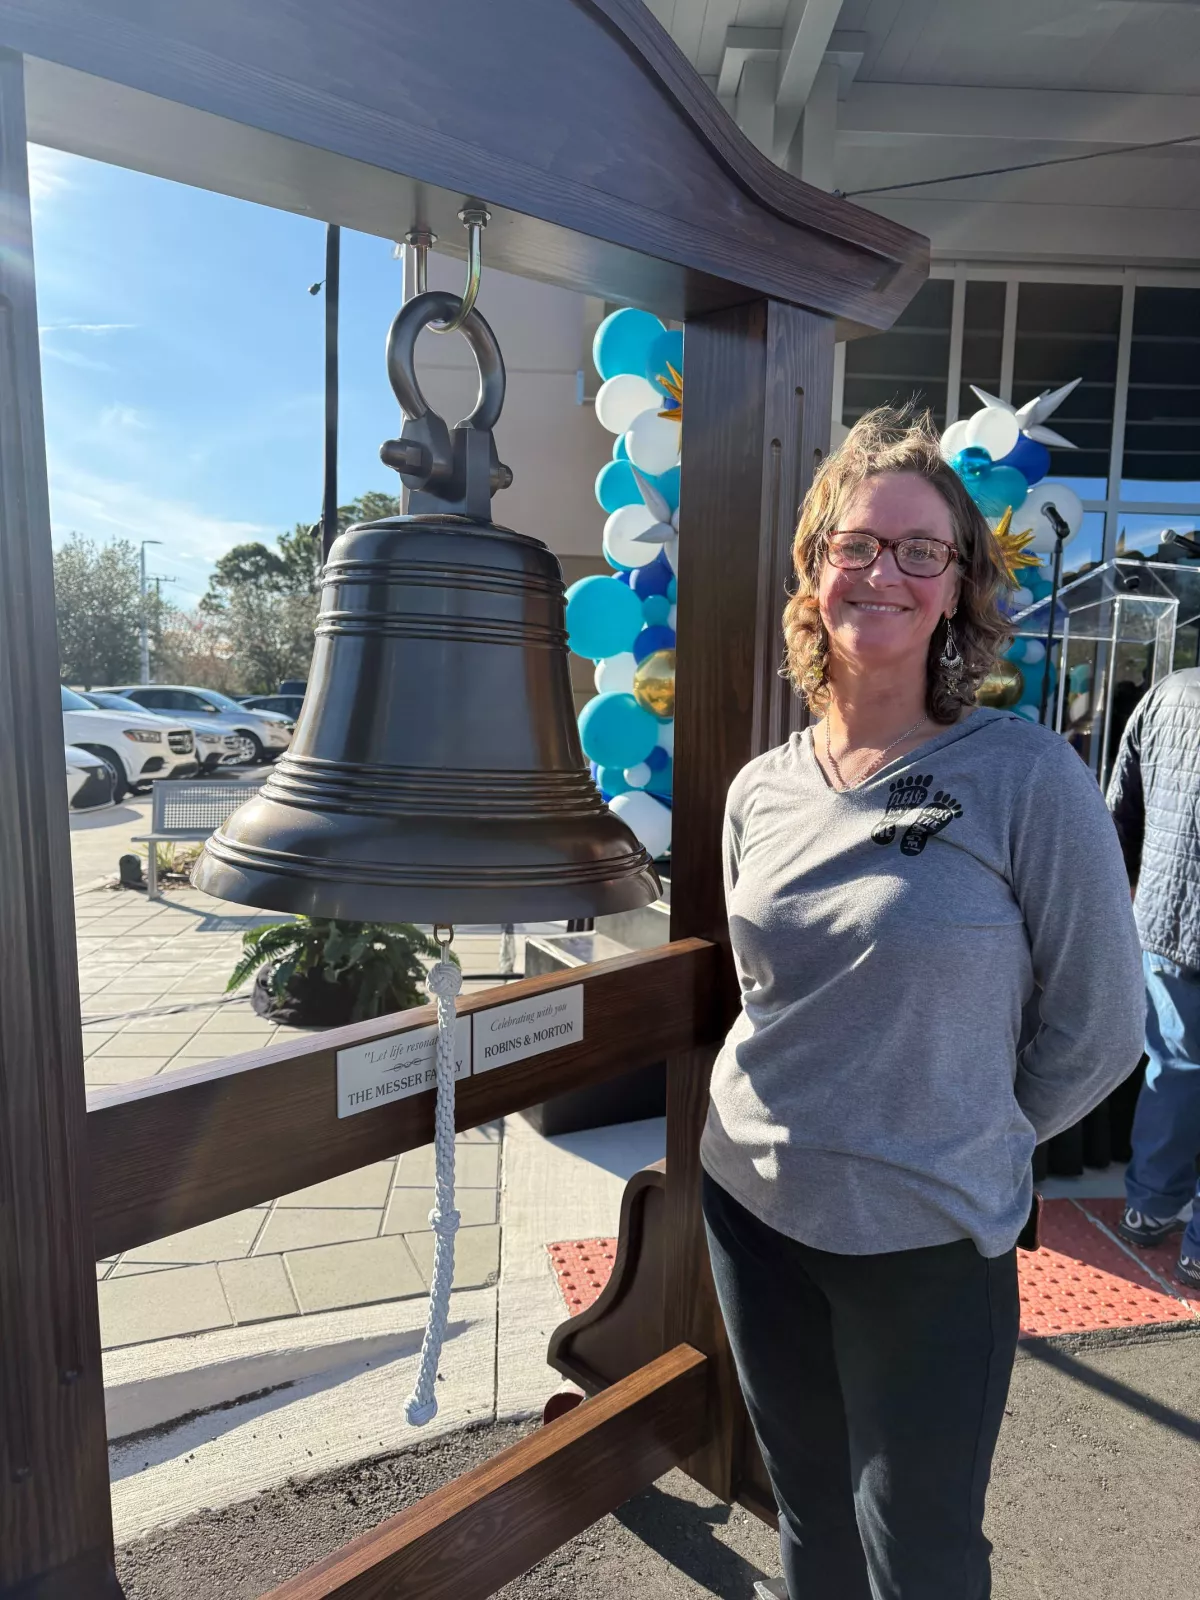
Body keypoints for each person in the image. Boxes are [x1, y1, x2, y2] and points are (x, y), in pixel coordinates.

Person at [699, 406, 1144, 1600]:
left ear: (955, 589)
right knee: (811, 1520)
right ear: (815, 570)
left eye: (918, 551)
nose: (882, 571)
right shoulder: (759, 789)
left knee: (924, 1553)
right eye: (857, 545)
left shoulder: (1023, 774)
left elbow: (1103, 1019)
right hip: (750, 1205)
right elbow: (765, 994)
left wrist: (972, 1134)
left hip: (929, 1237)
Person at [1107, 667, 1200, 1286]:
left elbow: (1118, 811)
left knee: (1172, 1065)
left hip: (1166, 917)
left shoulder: (1170, 693)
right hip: (1168, 914)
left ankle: (1149, 1206)